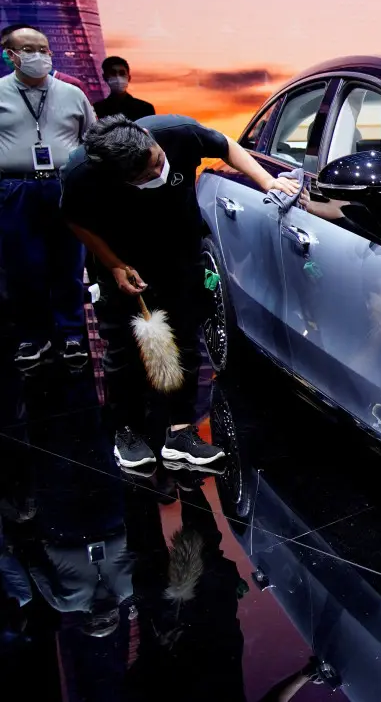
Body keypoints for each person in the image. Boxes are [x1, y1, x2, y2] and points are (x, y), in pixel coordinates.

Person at [60, 114, 299, 470]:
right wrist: (112, 263)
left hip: (180, 251)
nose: (157, 173)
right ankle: (126, 432)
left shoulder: (176, 133)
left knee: (187, 339)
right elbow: (74, 220)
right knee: (124, 350)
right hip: (124, 260)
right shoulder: (82, 173)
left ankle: (181, 432)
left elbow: (227, 145)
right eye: (144, 176)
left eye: (157, 161)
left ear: (147, 137)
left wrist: (266, 181)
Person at [0, 24, 94, 371]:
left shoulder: (71, 93)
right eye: (29, 50)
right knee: (24, 268)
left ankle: (72, 336)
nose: (39, 56)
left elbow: (91, 138)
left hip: (63, 187)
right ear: (10, 55)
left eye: (44, 49)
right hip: (15, 189)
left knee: (69, 265)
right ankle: (32, 338)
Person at [0, 24, 90, 95]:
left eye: (42, 50)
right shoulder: (3, 88)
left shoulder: (71, 86)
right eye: (4, 48)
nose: (37, 55)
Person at [93, 56, 155, 122]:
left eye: (122, 73)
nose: (118, 77)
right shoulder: (97, 109)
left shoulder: (145, 109)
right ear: (105, 77)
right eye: (113, 73)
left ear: (129, 77)